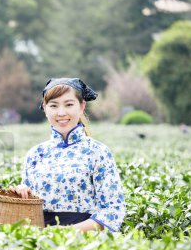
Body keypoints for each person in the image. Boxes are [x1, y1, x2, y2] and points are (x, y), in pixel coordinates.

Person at [10, 78, 126, 232]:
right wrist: (21, 194)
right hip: (41, 243)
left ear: (82, 106)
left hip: (87, 245)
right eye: (53, 105)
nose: (61, 112)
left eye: (69, 104)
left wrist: (67, 232)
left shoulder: (98, 152)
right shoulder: (35, 154)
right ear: (45, 108)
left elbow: (113, 211)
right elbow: (28, 212)